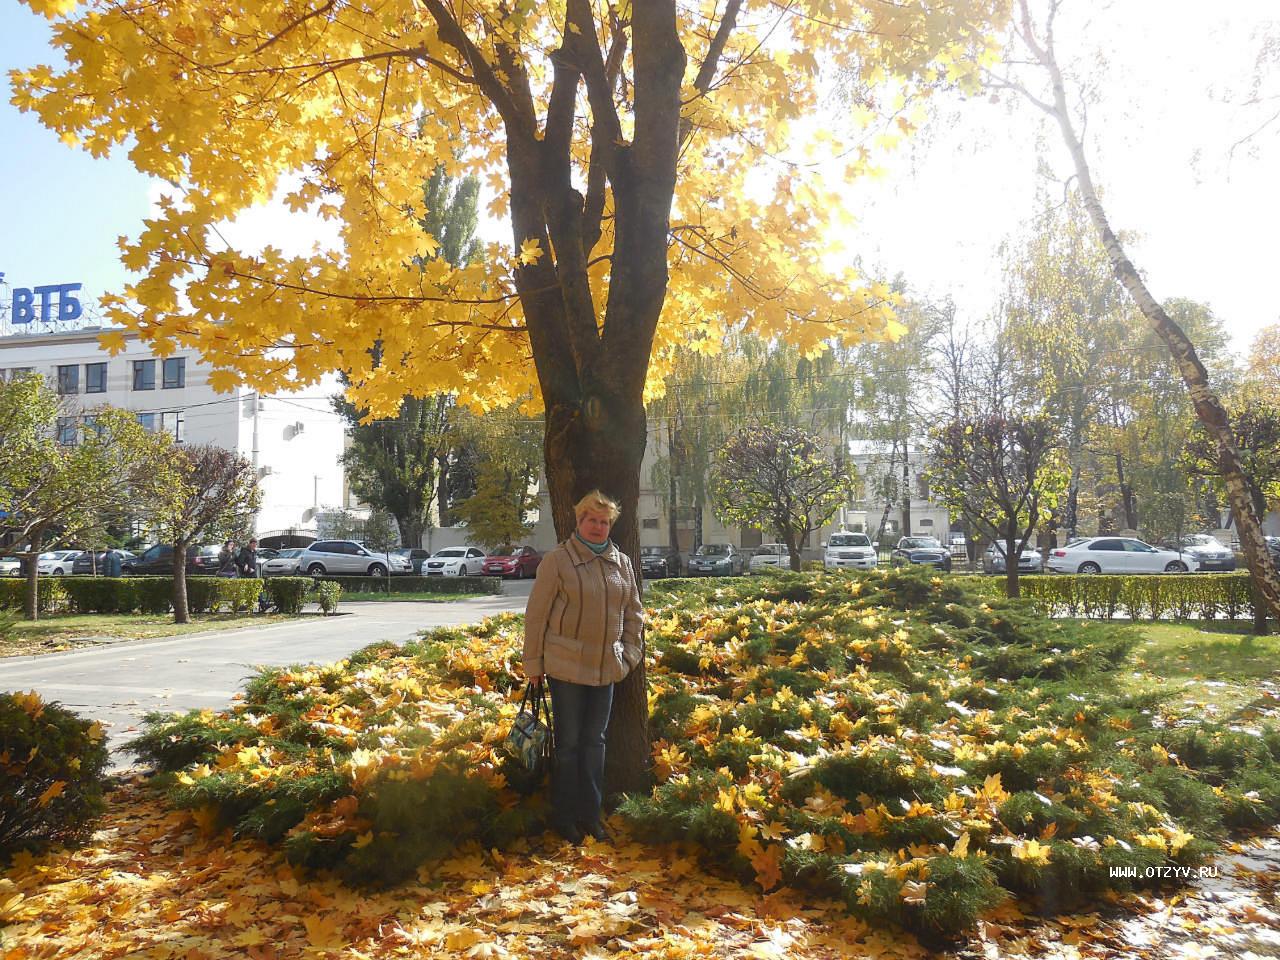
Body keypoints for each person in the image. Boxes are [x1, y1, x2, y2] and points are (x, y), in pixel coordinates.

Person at [522, 489, 644, 844]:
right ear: (579, 521)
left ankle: (592, 817)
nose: (598, 527)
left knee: (596, 744)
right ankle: (565, 817)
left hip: (607, 668)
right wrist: (534, 664)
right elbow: (536, 617)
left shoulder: (621, 562)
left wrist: (628, 657)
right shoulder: (558, 561)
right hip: (566, 670)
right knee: (569, 746)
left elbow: (634, 615)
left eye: (604, 522)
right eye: (592, 520)